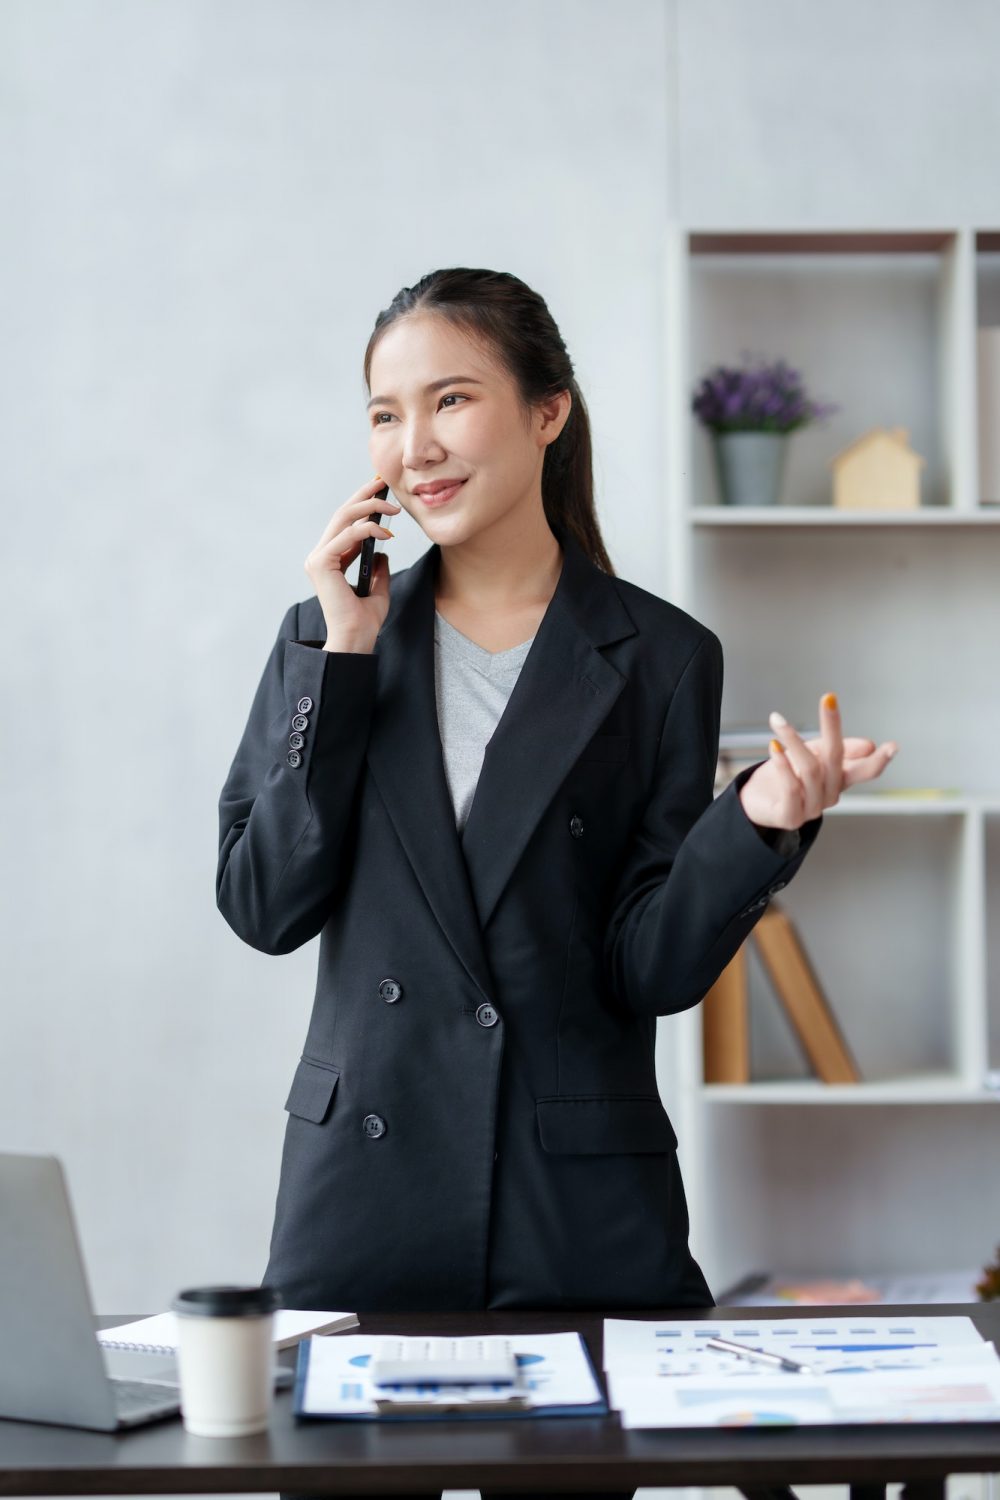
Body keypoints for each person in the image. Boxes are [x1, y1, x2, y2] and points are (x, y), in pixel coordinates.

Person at [216, 267, 899, 1500]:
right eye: (383, 412)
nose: (412, 445)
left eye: (451, 400)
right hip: (365, 1205)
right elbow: (265, 906)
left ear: (546, 413)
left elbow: (647, 967)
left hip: (571, 1209)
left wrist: (750, 822)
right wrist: (347, 660)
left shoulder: (658, 656)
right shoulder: (328, 637)